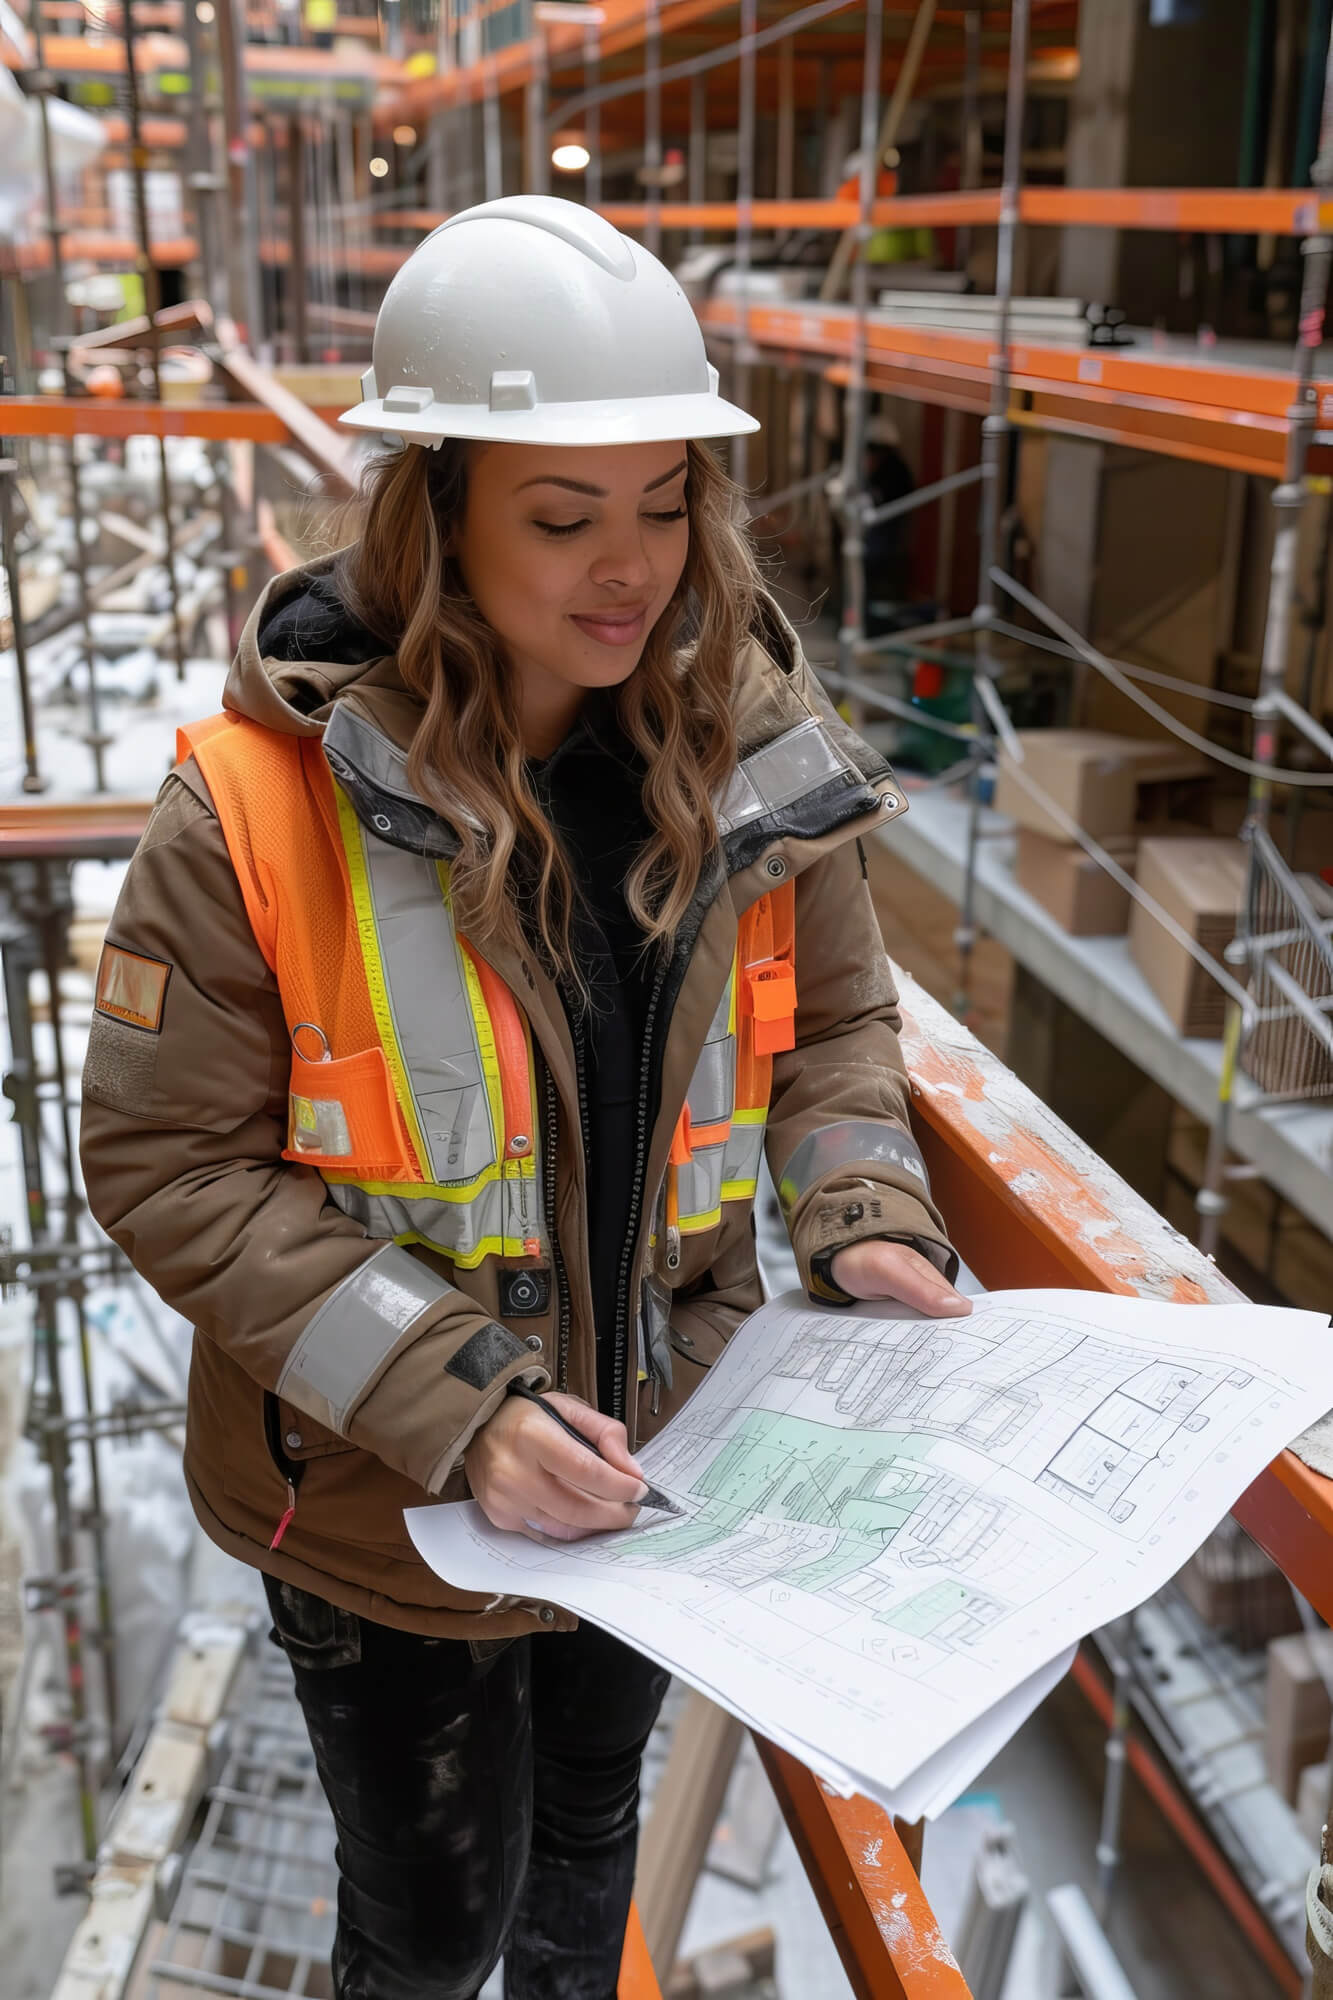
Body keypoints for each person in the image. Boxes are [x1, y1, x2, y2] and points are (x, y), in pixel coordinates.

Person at [80, 196, 970, 2000]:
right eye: (562, 518)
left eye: (664, 508)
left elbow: (839, 1035)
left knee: (587, 1852)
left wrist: (862, 1213)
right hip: (384, 1515)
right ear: (437, 520)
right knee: (427, 1930)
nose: (627, 568)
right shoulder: (260, 809)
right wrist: (459, 1402)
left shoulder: (748, 755)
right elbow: (166, 1162)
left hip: (659, 1465)